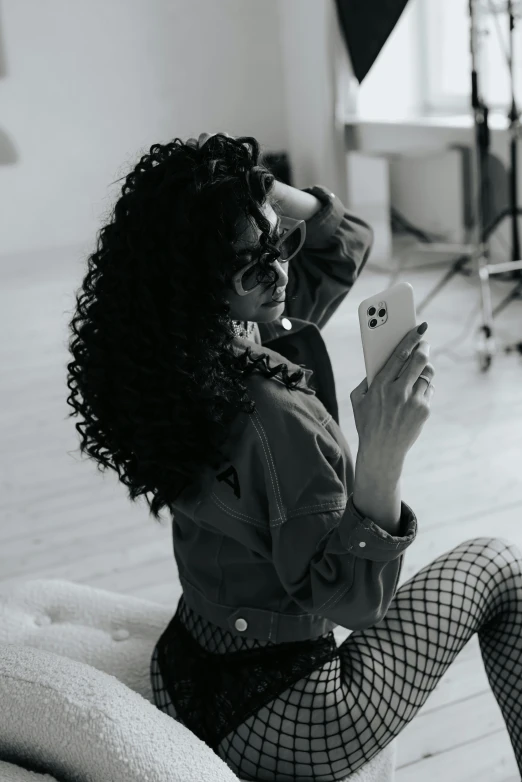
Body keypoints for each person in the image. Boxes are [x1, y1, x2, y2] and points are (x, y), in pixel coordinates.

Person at [66, 132, 522, 782]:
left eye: (279, 248)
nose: (279, 274)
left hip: (184, 673)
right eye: (254, 263)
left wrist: (244, 189)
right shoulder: (274, 411)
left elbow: (345, 243)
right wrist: (383, 451)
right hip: (291, 720)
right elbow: (354, 601)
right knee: (500, 565)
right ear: (197, 281)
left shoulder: (169, 362)